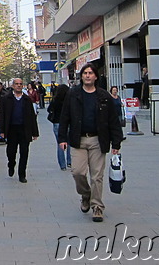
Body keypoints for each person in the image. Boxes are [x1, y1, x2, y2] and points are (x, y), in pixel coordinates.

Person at [58, 63, 123, 223]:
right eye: (85, 73)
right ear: (81, 76)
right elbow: (65, 116)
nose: (87, 75)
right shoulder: (73, 94)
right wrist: (62, 138)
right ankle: (86, 195)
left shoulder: (103, 96)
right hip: (78, 139)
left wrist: (116, 143)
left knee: (97, 176)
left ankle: (97, 207)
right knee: (77, 172)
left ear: (95, 76)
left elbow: (113, 120)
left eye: (90, 73)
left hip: (98, 140)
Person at [0, 78, 39, 183]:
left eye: (20, 84)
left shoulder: (27, 99)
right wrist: (2, 130)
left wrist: (35, 132)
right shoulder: (6, 99)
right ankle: (11, 164)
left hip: (24, 129)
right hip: (11, 128)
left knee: (24, 152)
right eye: (16, 84)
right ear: (13, 85)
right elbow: (2, 115)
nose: (18, 86)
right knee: (11, 151)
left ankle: (22, 174)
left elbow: (32, 116)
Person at [47, 83, 71, 171]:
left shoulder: (55, 100)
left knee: (60, 143)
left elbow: (49, 109)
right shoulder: (69, 101)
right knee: (69, 143)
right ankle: (70, 161)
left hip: (57, 123)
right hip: (68, 123)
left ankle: (62, 165)